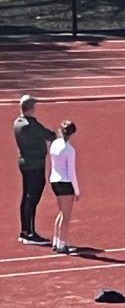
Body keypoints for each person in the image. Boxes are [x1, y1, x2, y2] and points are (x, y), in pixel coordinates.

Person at [13, 93, 56, 245]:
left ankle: (25, 230)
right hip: (34, 165)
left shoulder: (18, 122)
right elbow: (49, 135)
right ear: (31, 108)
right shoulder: (31, 125)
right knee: (32, 197)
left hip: (25, 163)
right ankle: (29, 233)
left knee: (26, 197)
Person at [49, 121, 79, 255]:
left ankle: (56, 241)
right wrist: (76, 191)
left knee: (61, 212)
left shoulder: (55, 144)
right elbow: (71, 172)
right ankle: (62, 244)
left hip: (54, 181)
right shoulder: (69, 150)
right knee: (66, 216)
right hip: (65, 183)